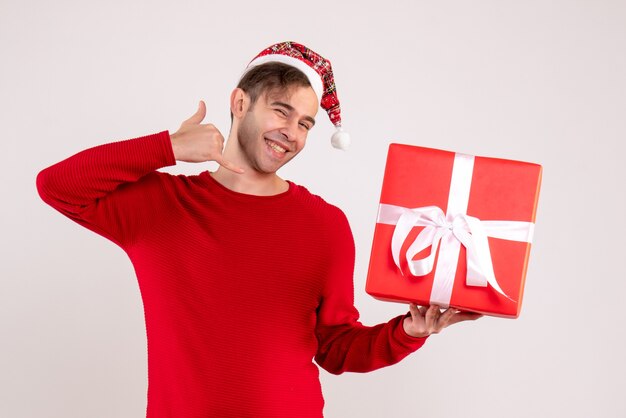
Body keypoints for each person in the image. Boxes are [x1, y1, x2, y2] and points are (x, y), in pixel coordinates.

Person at [36, 41, 481, 418]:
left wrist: (408, 331)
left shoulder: (325, 225)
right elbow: (57, 186)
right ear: (240, 103)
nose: (292, 133)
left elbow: (336, 348)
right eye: (282, 111)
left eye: (305, 124)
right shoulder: (162, 206)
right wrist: (166, 146)